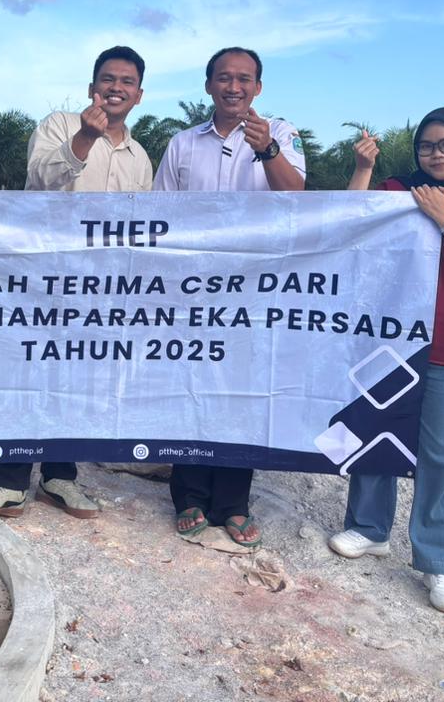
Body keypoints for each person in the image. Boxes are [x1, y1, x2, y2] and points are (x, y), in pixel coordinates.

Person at [327, 108, 444, 614]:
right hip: (389, 343)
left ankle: (439, 559)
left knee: (443, 452)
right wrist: (363, 169)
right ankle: (369, 528)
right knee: (375, 432)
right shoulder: (399, 190)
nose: (437, 154)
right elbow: (352, 224)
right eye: (427, 146)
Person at [0, 46, 153, 520]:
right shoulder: (59, 125)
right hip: (42, 279)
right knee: (28, 371)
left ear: (139, 95)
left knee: (77, 379)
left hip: (102, 290)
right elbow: (39, 182)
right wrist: (85, 139)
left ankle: (59, 477)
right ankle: (9, 481)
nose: (116, 87)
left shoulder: (140, 157)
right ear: (93, 86)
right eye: (108, 78)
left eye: (127, 82)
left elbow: (142, 227)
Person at [153, 46, 306, 548]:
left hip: (254, 288)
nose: (233, 87)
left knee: (242, 391)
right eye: (224, 77)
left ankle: (234, 503)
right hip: (192, 288)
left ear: (258, 87)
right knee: (191, 386)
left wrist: (268, 152)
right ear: (208, 85)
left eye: (244, 79)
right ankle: (189, 496)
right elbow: (160, 214)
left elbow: (296, 200)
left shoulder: (279, 133)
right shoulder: (182, 143)